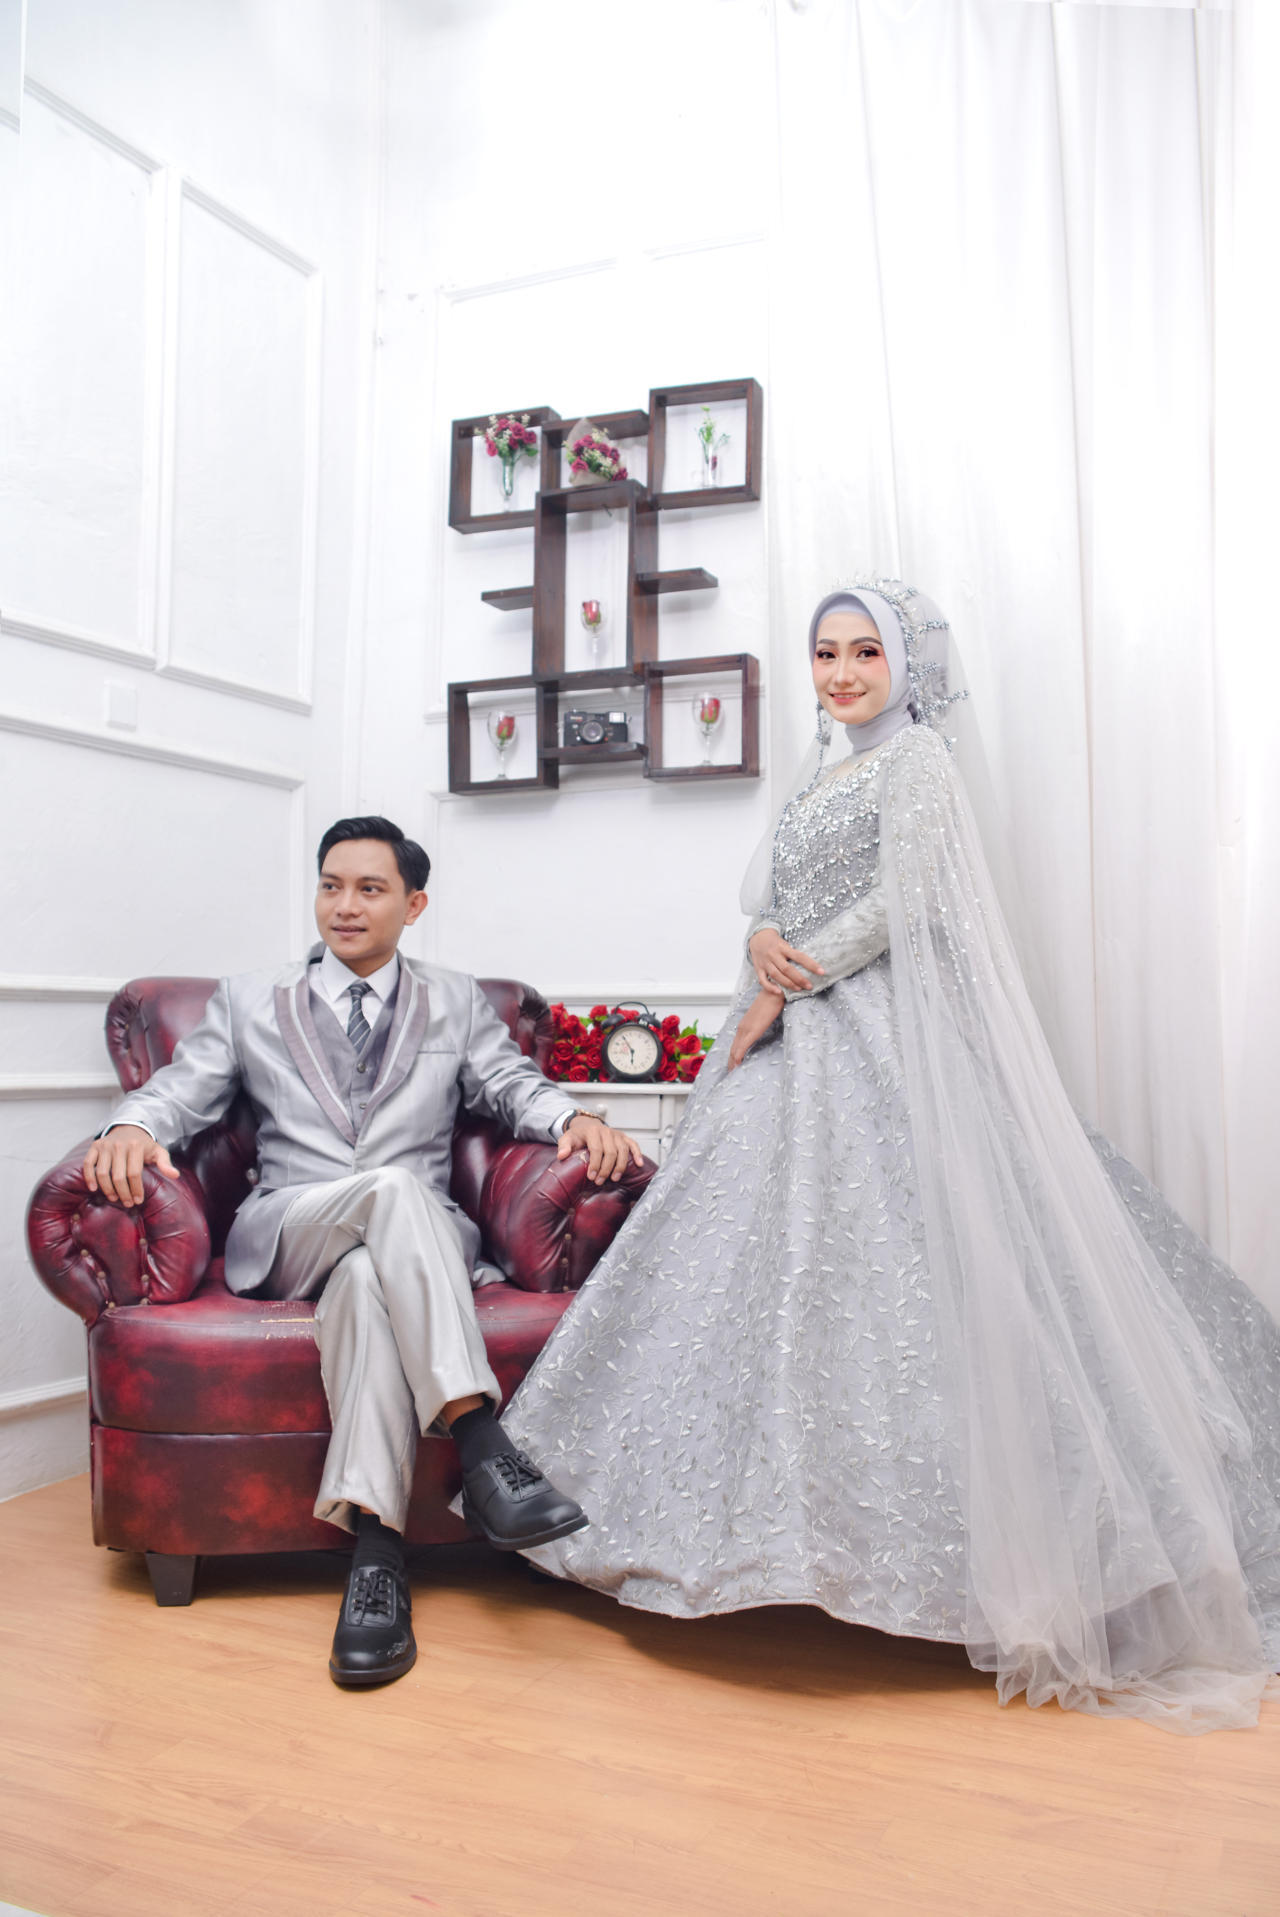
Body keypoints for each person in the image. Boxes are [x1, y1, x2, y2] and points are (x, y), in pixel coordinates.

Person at [504, 580, 1280, 1734]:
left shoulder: (916, 763)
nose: (840, 673)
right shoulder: (825, 772)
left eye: (864, 652)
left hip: (877, 1034)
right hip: (789, 1037)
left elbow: (905, 900)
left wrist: (787, 978)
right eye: (824, 653)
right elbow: (773, 896)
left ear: (907, 665)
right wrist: (761, 942)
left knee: (908, 1267)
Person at [83, 815, 642, 1689]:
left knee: (365, 1279)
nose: (345, 905)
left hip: (400, 1250)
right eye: (331, 885)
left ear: (413, 905)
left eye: (370, 888)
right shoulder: (248, 999)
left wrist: (573, 1117)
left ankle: (377, 1560)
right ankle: (481, 1439)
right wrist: (129, 1126)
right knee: (389, 1192)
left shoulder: (456, 1001)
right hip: (289, 1228)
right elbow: (179, 1091)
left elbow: (510, 1085)